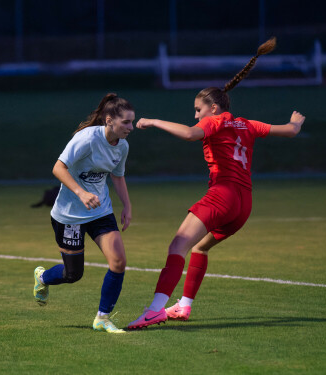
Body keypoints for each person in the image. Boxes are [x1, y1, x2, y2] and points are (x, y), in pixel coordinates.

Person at [127, 37, 306, 330]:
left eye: (198, 110)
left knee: (178, 245)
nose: (196, 116)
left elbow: (188, 134)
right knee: (199, 248)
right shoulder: (245, 124)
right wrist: (296, 123)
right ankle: (183, 307)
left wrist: (153, 121)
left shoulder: (214, 122)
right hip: (243, 204)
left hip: (221, 196)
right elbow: (289, 130)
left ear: (212, 107)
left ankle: (155, 309)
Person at [33, 93, 134, 334]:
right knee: (72, 274)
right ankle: (43, 278)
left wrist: (127, 206)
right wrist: (81, 193)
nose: (131, 127)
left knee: (118, 262)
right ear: (109, 120)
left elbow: (117, 176)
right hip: (69, 215)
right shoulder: (87, 139)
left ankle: (102, 317)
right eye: (126, 122)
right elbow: (58, 167)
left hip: (100, 211)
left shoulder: (122, 146)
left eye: (132, 122)